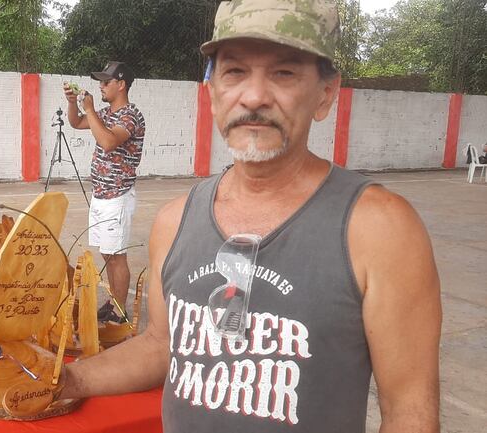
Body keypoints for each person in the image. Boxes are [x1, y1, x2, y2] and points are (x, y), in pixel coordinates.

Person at [59, 2, 442, 433]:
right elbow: (160, 345)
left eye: (284, 72)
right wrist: (67, 380)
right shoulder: (174, 221)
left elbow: (410, 411)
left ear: (325, 94)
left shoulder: (381, 229)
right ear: (213, 92)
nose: (255, 96)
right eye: (235, 71)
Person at [63, 61, 146, 324]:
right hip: (101, 194)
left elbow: (108, 142)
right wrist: (73, 103)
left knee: (117, 255)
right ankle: (114, 302)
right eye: (100, 81)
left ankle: (120, 313)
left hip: (117, 196)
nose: (101, 86)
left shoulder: (130, 115)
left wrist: (89, 109)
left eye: (106, 82)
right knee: (108, 253)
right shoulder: (106, 113)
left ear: (121, 84)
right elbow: (76, 122)